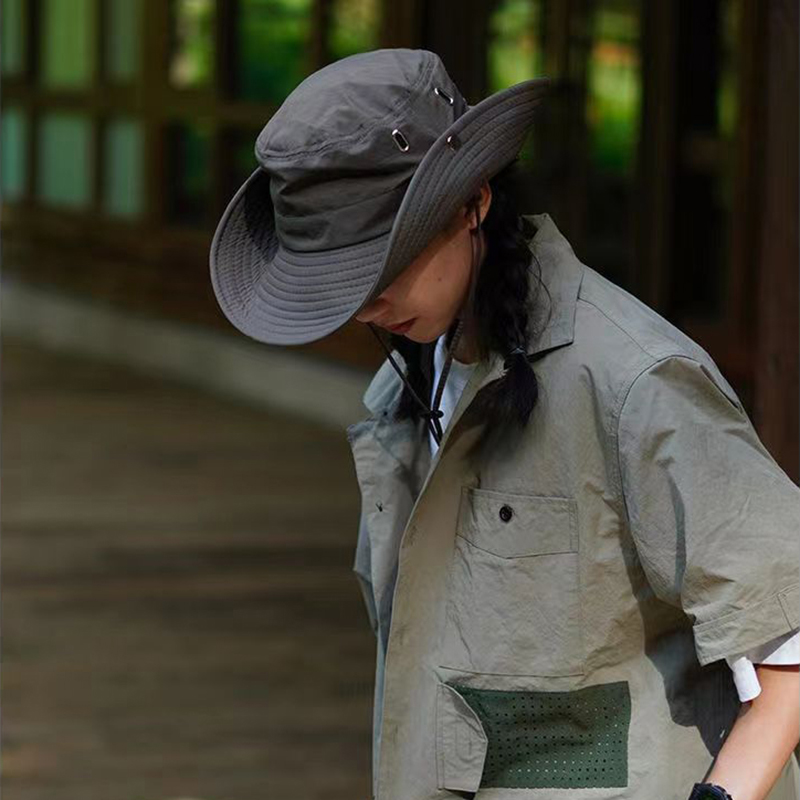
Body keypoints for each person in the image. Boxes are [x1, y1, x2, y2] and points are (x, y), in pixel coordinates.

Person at [209, 48, 800, 800]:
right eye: (342, 283)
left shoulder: (633, 379)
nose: (365, 306)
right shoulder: (414, 377)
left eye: (382, 267)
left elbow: (789, 639)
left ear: (473, 203)